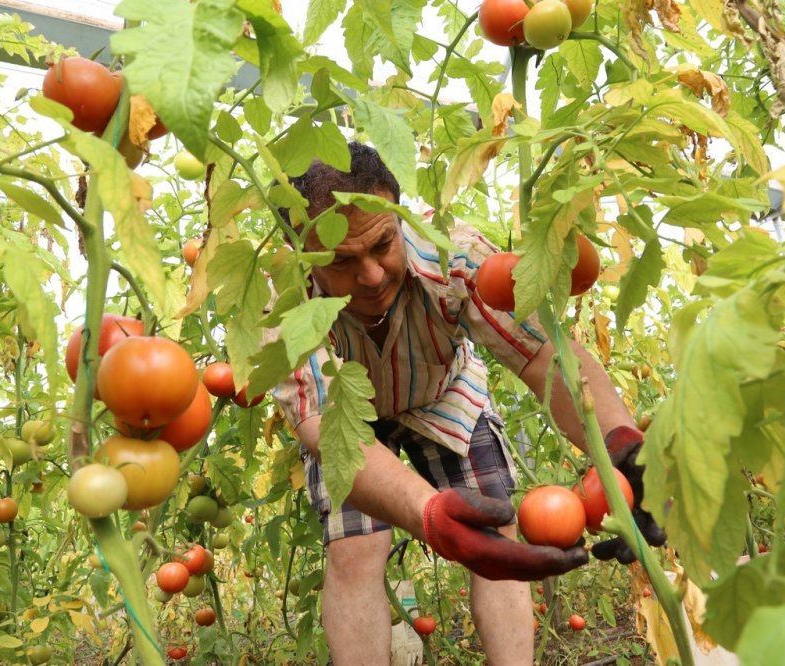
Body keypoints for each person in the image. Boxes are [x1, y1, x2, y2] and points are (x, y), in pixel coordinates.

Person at [270, 141, 665, 665]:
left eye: (384, 244)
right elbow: (323, 425)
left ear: (400, 213)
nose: (371, 275)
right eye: (340, 262)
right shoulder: (284, 310)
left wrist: (620, 442)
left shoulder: (454, 255)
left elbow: (541, 355)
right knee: (355, 550)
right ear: (298, 250)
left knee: (497, 524)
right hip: (347, 421)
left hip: (444, 393)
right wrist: (429, 514)